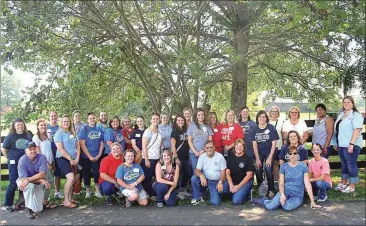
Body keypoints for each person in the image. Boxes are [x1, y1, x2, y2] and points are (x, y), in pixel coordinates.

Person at [251, 146, 321, 211]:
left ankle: (278, 202)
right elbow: (281, 183)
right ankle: (263, 200)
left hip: (297, 195)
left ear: (297, 154)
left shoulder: (303, 166)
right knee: (270, 207)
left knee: (287, 207)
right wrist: (282, 194)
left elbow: (307, 184)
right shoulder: (284, 166)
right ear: (287, 155)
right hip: (285, 191)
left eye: (295, 153)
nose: (292, 155)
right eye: (290, 153)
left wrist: (312, 202)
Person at [333, 96, 364, 193]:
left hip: (351, 144)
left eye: (348, 102)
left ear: (353, 104)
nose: (346, 104)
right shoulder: (341, 114)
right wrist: (335, 143)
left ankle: (352, 186)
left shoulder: (356, 115)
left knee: (351, 165)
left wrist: (351, 144)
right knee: (344, 165)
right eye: (344, 102)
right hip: (341, 144)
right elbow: (337, 130)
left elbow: (357, 129)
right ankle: (343, 183)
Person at [1, 118, 33, 212]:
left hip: (25, 163)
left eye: (21, 125)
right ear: (14, 126)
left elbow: (31, 148)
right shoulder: (10, 137)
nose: (20, 126)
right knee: (13, 182)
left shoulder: (28, 136)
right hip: (13, 163)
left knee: (24, 181)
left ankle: (21, 202)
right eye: (18, 125)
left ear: (24, 125)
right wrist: (9, 159)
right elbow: (4, 149)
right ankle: (8, 204)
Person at [17, 142, 51, 219]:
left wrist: (32, 180)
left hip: (36, 182)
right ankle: (28, 208)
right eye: (30, 149)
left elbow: (42, 174)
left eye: (34, 149)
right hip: (23, 182)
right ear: (25, 151)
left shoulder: (42, 157)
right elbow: (23, 179)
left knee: (38, 209)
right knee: (30, 186)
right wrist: (41, 180)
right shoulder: (22, 160)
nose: (33, 151)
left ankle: (24, 198)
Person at [54, 114, 80, 208]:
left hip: (74, 159)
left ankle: (70, 197)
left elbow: (78, 146)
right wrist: (70, 159)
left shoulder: (73, 133)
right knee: (70, 178)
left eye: (68, 121)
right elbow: (60, 149)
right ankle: (65, 200)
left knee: (76, 177)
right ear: (61, 123)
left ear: (70, 123)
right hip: (63, 158)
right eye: (64, 121)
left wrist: (77, 158)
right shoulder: (58, 133)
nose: (66, 123)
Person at [252, 110, 279, 198]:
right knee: (258, 168)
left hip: (269, 152)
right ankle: (261, 188)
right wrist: (257, 159)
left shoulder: (271, 128)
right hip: (259, 152)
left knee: (268, 168)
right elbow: (254, 145)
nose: (262, 118)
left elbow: (274, 144)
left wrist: (269, 158)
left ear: (266, 118)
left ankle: (271, 189)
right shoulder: (255, 129)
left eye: (264, 117)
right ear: (257, 118)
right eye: (260, 117)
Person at [190, 141, 226, 206]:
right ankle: (197, 197)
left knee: (215, 202)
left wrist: (220, 182)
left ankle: (215, 194)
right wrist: (201, 175)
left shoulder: (220, 157)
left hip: (215, 181)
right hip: (205, 180)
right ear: (204, 149)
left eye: (211, 147)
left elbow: (223, 172)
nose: (209, 149)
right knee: (194, 178)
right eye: (207, 148)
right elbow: (197, 170)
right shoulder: (202, 157)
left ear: (214, 148)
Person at [78, 112, 104, 199]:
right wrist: (89, 156)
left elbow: (101, 143)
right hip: (86, 157)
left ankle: (97, 191)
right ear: (87, 120)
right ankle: (88, 191)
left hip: (96, 156)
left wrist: (99, 155)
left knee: (97, 173)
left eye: (93, 118)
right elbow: (82, 144)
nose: (92, 120)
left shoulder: (98, 129)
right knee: (86, 173)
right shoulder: (84, 129)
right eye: (90, 118)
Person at [32, 119, 57, 209]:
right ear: (38, 126)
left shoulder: (49, 136)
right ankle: (44, 201)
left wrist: (52, 162)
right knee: (49, 181)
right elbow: (38, 153)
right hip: (41, 163)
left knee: (43, 183)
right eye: (41, 125)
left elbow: (51, 150)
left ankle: (39, 201)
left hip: (50, 161)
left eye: (45, 125)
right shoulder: (36, 137)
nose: (43, 127)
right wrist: (47, 164)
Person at [224, 139, 254, 205]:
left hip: (245, 182)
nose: (238, 148)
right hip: (234, 181)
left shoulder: (247, 158)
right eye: (237, 146)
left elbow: (249, 175)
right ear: (234, 147)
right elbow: (227, 172)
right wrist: (231, 185)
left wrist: (238, 186)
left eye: (241, 146)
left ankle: (247, 195)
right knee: (222, 191)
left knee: (236, 201)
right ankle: (236, 192)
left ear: (244, 148)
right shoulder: (230, 157)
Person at [141, 113, 163, 200]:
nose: (155, 121)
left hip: (156, 158)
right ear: (151, 120)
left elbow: (160, 145)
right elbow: (144, 146)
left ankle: (154, 192)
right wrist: (146, 159)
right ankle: (149, 194)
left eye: (157, 119)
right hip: (148, 158)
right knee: (148, 177)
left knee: (155, 176)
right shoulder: (148, 131)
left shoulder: (158, 131)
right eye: (154, 119)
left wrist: (161, 157)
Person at [171, 114, 191, 199]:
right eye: (178, 120)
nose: (180, 122)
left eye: (182, 120)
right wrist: (176, 157)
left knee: (187, 173)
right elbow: (173, 146)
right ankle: (177, 192)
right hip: (178, 157)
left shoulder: (187, 130)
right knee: (177, 175)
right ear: (176, 122)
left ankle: (183, 189)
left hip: (186, 157)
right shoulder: (174, 131)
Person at [187, 108, 213, 173]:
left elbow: (210, 141)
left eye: (202, 115)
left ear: (204, 116)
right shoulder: (192, 126)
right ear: (196, 116)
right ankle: (195, 183)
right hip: (193, 153)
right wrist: (195, 151)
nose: (200, 116)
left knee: (205, 171)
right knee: (196, 171)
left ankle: (204, 183)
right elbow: (189, 140)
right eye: (199, 115)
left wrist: (204, 150)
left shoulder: (207, 126)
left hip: (205, 152)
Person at [46, 111, 63, 199]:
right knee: (46, 173)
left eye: (55, 116)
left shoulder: (59, 128)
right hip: (48, 153)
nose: (53, 117)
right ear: (49, 117)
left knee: (57, 172)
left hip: (57, 152)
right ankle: (46, 194)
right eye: (52, 116)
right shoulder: (45, 127)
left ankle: (57, 192)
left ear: (57, 117)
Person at [268, 106, 284, 183]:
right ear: (270, 113)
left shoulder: (281, 122)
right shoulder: (266, 122)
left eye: (276, 111)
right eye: (272, 111)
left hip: (278, 146)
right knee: (268, 164)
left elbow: (283, 135)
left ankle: (276, 181)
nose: (274, 113)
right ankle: (268, 181)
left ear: (278, 113)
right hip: (268, 147)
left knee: (276, 163)